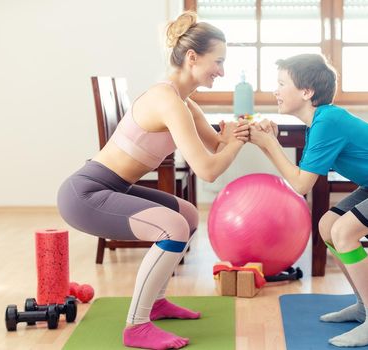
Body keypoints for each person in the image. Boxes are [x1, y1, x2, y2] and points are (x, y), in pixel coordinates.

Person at [57, 11, 249, 350]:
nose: (221, 70)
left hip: (114, 187)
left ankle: (157, 303)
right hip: (85, 193)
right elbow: (208, 169)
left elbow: (218, 143)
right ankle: (136, 326)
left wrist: (243, 132)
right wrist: (234, 142)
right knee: (172, 227)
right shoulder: (167, 101)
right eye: (217, 61)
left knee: (187, 215)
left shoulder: (185, 103)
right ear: (192, 57)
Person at [249, 53, 368, 347]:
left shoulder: (327, 122)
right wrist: (270, 142)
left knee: (344, 232)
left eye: (281, 84)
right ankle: (364, 306)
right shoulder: (321, 121)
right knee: (329, 225)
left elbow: (301, 184)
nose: (274, 91)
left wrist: (270, 144)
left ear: (306, 92)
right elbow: (302, 173)